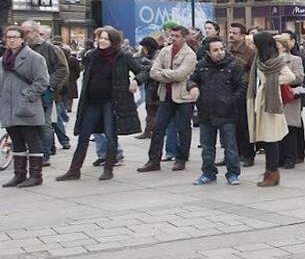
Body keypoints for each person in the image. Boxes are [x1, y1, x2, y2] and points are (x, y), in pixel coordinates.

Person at [55, 26, 139, 182]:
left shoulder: (123, 56)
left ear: (113, 41)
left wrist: (135, 81)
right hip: (91, 102)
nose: (101, 41)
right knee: (84, 135)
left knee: (110, 135)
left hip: (111, 103)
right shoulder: (92, 56)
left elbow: (143, 70)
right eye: (100, 38)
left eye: (106, 38)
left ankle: (108, 168)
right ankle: (74, 170)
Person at [187, 38, 246, 186]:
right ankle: (208, 173)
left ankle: (233, 173)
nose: (219, 52)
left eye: (221, 49)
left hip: (227, 113)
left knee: (230, 146)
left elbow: (241, 86)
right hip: (206, 112)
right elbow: (192, 79)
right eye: (215, 50)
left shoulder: (234, 66)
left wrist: (231, 100)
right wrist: (193, 86)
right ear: (208, 52)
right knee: (207, 147)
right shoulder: (201, 66)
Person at [139, 24, 198, 172]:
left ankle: (181, 158)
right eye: (171, 35)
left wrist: (164, 74)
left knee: (183, 128)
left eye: (177, 36)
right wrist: (170, 75)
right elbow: (153, 72)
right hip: (166, 95)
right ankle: (153, 160)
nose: (173, 39)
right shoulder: (164, 51)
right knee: (158, 127)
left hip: (184, 97)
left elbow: (181, 74)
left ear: (184, 38)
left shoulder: (190, 54)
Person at [0, 25, 51, 187]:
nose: (12, 40)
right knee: (16, 140)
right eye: (9, 37)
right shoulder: (3, 59)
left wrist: (26, 96)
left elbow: (42, 81)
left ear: (23, 39)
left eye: (15, 37)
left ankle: (36, 176)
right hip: (8, 108)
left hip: (26, 107)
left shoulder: (34, 58)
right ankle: (19, 175)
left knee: (32, 140)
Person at [247, 31, 296, 187]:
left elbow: (291, 77)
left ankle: (273, 173)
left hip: (271, 104)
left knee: (271, 139)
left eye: (255, 43)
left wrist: (271, 82)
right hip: (260, 102)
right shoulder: (259, 59)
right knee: (266, 139)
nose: (253, 45)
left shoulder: (276, 60)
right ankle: (269, 171)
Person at [21, 21, 67, 168]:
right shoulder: (20, 48)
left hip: (43, 93)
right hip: (24, 93)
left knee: (44, 124)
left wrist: (50, 87)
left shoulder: (49, 48)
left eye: (27, 32)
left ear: (36, 31)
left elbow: (62, 69)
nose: (25, 35)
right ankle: (34, 151)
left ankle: (45, 154)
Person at [275, 32, 305, 169]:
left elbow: (299, 78)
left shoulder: (295, 59)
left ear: (283, 46)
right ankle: (280, 158)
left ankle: (291, 157)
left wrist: (284, 78)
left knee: (290, 129)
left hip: (289, 97)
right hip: (276, 97)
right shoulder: (271, 60)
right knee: (278, 129)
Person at [227, 21, 257, 166]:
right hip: (228, 90)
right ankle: (235, 153)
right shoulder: (226, 50)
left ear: (243, 35)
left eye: (234, 33)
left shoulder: (250, 52)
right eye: (230, 32)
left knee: (244, 124)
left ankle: (248, 155)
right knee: (231, 125)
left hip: (243, 91)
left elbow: (252, 73)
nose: (231, 35)